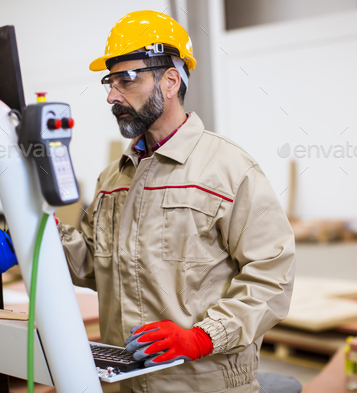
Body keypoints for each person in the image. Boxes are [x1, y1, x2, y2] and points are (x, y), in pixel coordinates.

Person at [57, 10, 296, 393]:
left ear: (170, 81)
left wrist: (202, 337)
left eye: (126, 79)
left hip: (203, 383)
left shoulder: (230, 170)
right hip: (126, 381)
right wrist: (41, 238)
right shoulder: (113, 179)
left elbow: (272, 276)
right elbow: (93, 266)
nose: (111, 95)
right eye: (110, 80)